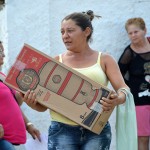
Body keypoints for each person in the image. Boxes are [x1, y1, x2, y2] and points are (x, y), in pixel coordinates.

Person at [23, 10, 137, 150]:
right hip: (61, 131)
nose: (65, 36)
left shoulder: (104, 59)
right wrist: (31, 103)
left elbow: (123, 88)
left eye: (70, 31)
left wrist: (117, 99)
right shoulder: (54, 62)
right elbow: (43, 106)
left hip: (97, 131)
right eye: (62, 32)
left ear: (86, 31)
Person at [0, 41, 41, 150]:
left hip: (11, 139)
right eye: (0, 51)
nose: (3, 55)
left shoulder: (3, 76)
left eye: (3, 51)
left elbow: (14, 103)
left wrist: (28, 124)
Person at [118, 17, 150, 150]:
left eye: (136, 32)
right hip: (139, 102)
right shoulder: (128, 53)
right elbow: (118, 75)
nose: (133, 35)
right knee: (143, 137)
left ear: (144, 30)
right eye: (130, 33)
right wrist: (127, 91)